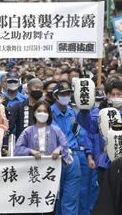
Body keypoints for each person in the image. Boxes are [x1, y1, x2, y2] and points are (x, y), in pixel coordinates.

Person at [50, 81, 82, 215]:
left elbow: (75, 132)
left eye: (68, 93)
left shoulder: (71, 112)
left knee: (71, 198)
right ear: (56, 96)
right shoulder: (49, 112)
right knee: (55, 198)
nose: (66, 96)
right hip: (55, 158)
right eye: (63, 94)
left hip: (73, 157)